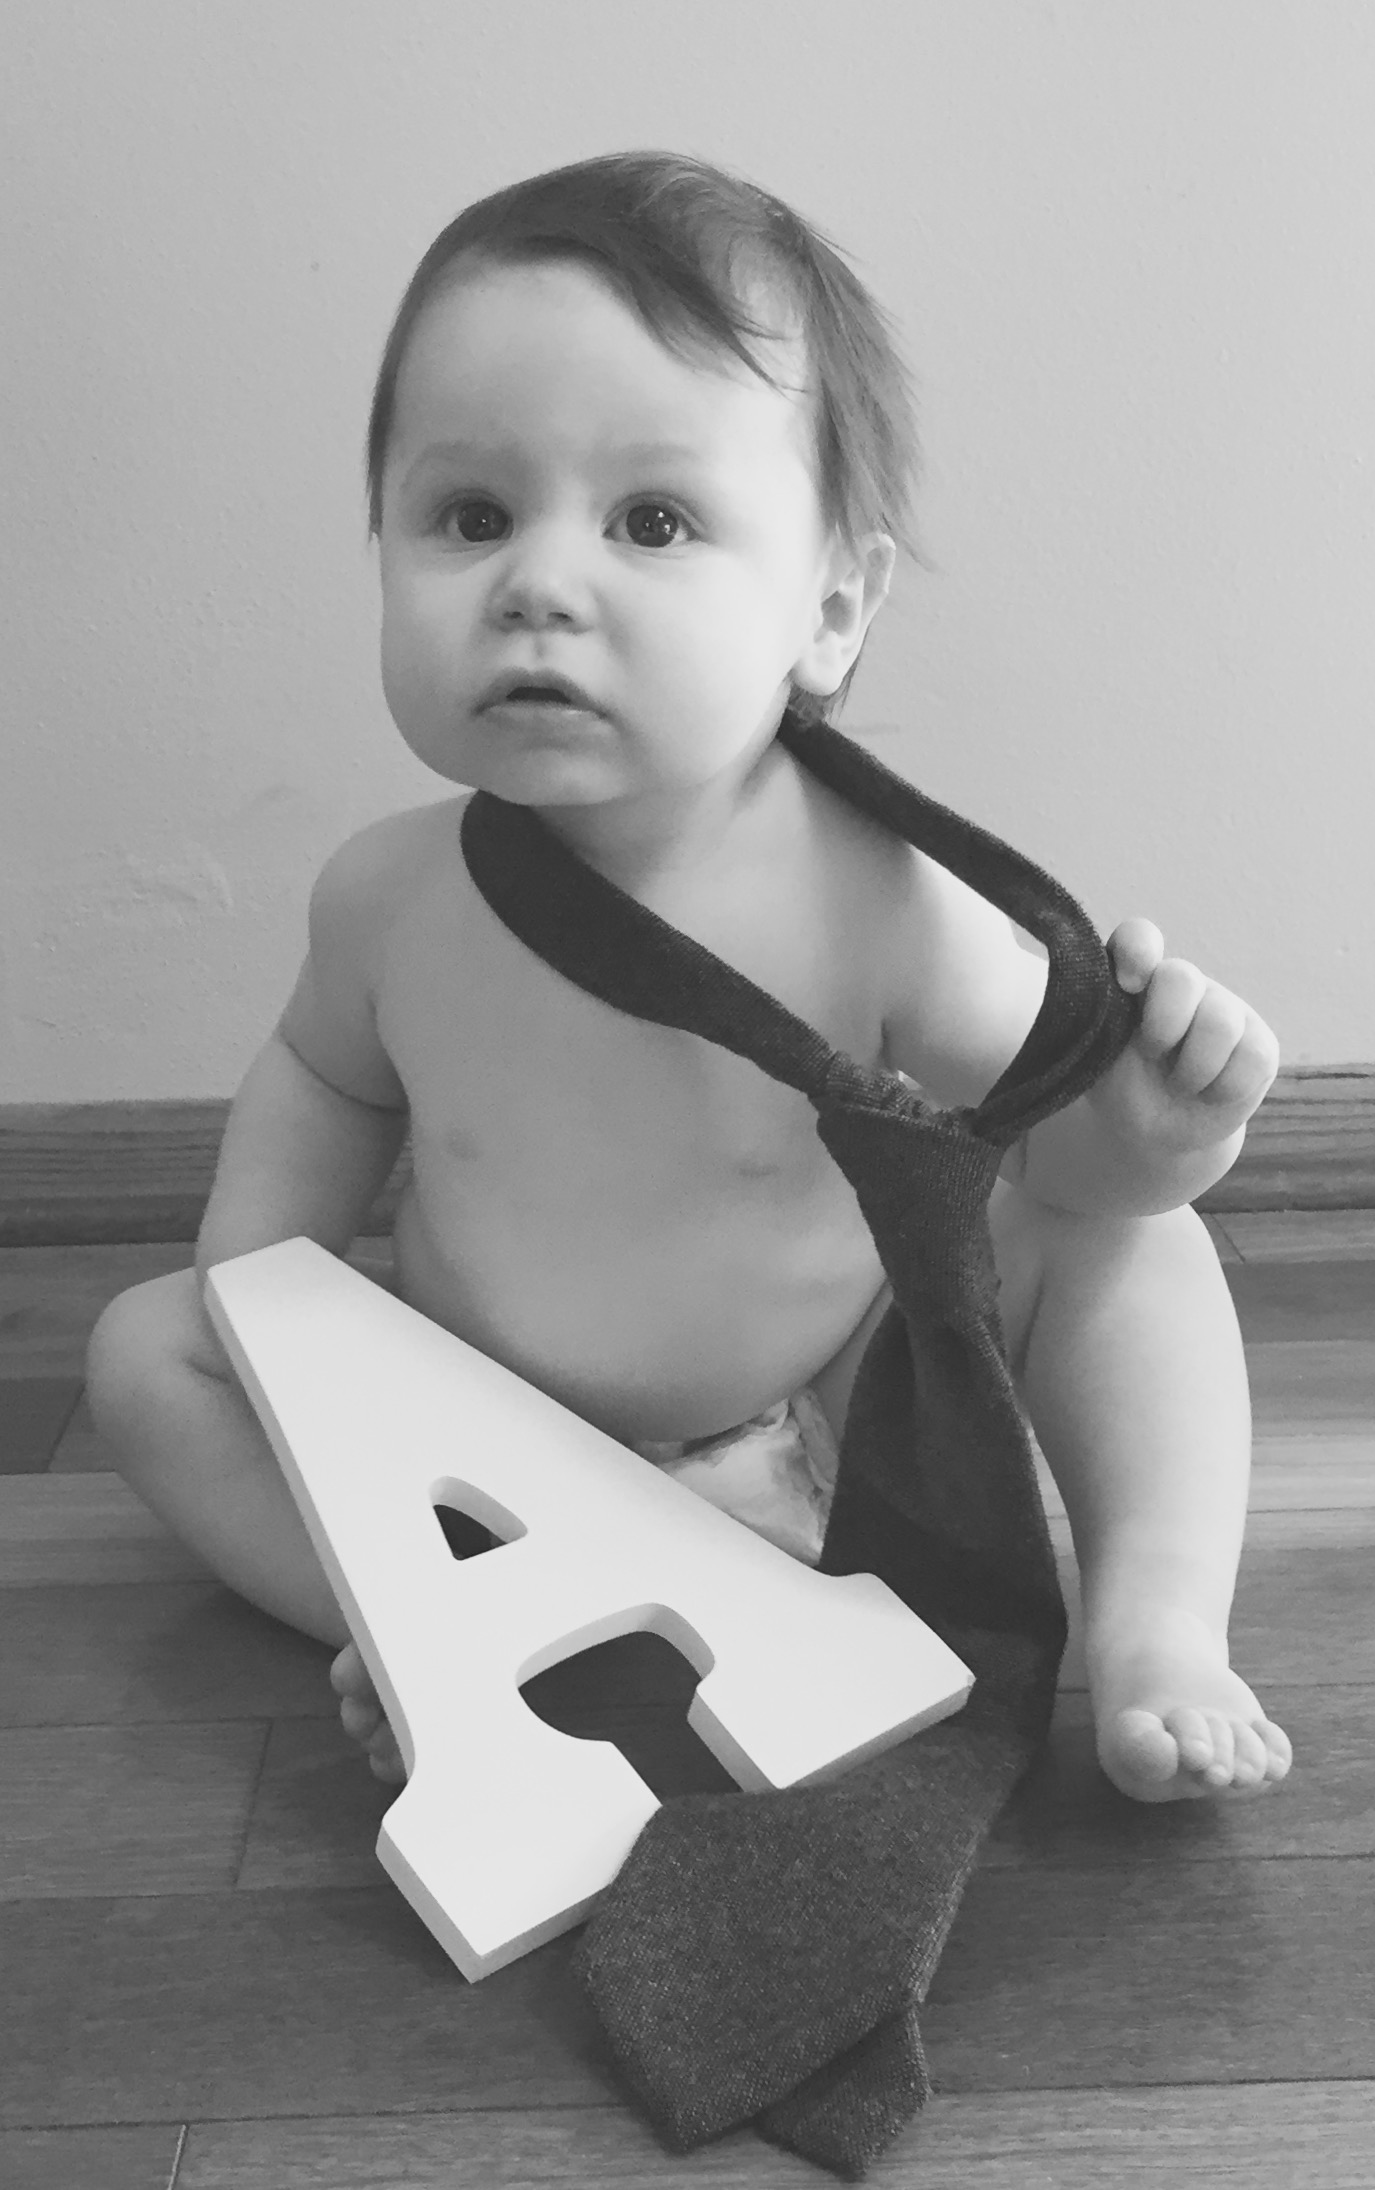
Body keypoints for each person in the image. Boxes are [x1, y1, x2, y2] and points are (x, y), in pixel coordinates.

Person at [84, 150, 1291, 1806]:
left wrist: (1152, 1139)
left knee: (1131, 1252)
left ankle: (1158, 1625)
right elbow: (318, 1089)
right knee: (151, 1352)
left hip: (815, 1415)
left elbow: (1060, 1167)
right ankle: (428, 1622)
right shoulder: (387, 897)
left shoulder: (889, 899)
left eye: (650, 521)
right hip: (494, 1458)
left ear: (830, 609)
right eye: (470, 516)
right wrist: (274, 1312)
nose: (537, 582)